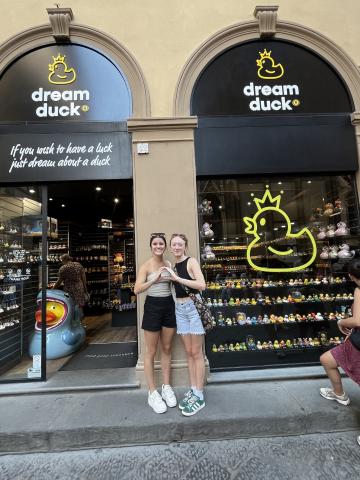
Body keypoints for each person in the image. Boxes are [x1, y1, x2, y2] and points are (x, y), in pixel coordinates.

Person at [134, 233, 177, 414]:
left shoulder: (168, 264)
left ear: (165, 247)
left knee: (166, 348)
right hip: (152, 306)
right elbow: (136, 289)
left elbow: (174, 286)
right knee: (151, 351)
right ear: (151, 247)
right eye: (155, 244)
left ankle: (166, 387)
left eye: (161, 244)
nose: (158, 246)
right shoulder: (146, 266)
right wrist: (154, 279)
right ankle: (152, 392)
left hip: (169, 305)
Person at [165, 233, 206, 417]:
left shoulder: (191, 261)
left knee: (197, 353)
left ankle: (199, 394)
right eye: (173, 244)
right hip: (180, 310)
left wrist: (177, 278)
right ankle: (193, 388)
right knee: (189, 352)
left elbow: (202, 285)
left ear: (185, 246)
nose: (176, 247)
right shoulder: (173, 266)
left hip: (193, 308)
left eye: (179, 244)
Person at [319, 259, 360, 409]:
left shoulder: (359, 290)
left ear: (351, 276)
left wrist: (341, 322)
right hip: (355, 341)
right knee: (327, 360)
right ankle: (339, 394)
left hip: (357, 345)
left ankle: (339, 394)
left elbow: (357, 320)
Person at [52, 254, 89, 321]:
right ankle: (79, 322)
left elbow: (59, 281)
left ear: (64, 260)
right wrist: (85, 290)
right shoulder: (78, 265)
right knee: (79, 305)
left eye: (62, 260)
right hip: (79, 288)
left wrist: (53, 289)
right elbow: (84, 278)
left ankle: (71, 322)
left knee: (69, 304)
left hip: (67, 290)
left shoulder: (63, 268)